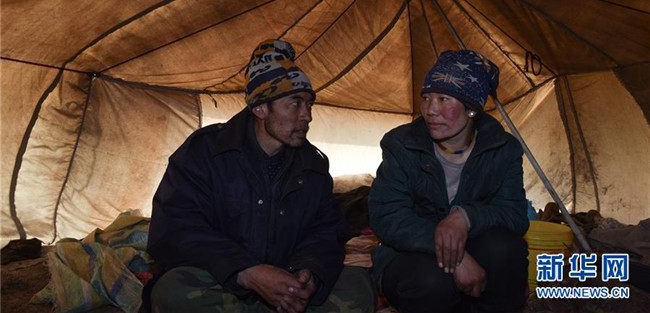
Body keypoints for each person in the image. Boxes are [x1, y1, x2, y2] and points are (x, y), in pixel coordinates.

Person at [146, 39, 376, 313]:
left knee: (358, 286)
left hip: (285, 280)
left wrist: (309, 271)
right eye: (295, 104)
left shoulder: (312, 166)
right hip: (226, 281)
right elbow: (174, 229)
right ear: (260, 109)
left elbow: (326, 230)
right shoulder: (206, 153)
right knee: (173, 291)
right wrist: (246, 271)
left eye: (309, 104)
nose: (307, 116)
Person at [368, 50, 529, 313]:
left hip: (474, 242)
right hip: (411, 253)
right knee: (431, 281)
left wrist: (465, 218)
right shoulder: (402, 144)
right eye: (426, 98)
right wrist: (456, 256)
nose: (430, 110)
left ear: (472, 109)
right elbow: (387, 215)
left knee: (505, 249)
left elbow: (514, 214)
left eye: (443, 99)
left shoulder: (502, 149)